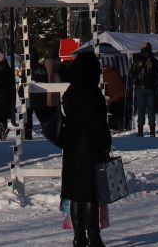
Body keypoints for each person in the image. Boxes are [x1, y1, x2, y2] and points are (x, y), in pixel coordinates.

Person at [60, 51, 112, 247]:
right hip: (90, 148)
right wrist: (105, 142)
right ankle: (94, 238)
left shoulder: (70, 92)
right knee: (90, 196)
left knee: (75, 196)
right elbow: (98, 123)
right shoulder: (93, 93)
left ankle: (78, 236)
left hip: (72, 149)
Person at [130, 43, 158, 137]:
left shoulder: (137, 60)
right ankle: (152, 131)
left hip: (140, 88)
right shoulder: (155, 61)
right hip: (151, 88)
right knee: (151, 110)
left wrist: (136, 80)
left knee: (141, 110)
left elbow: (132, 72)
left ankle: (140, 131)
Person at [0, 52, 17, 140]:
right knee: (3, 115)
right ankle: (2, 134)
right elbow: (12, 84)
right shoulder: (9, 70)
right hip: (7, 96)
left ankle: (3, 129)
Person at [100, 59, 127, 131]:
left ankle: (113, 127)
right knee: (120, 113)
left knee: (113, 112)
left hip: (114, 98)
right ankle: (122, 126)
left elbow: (102, 88)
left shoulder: (104, 76)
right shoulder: (115, 73)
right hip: (123, 95)